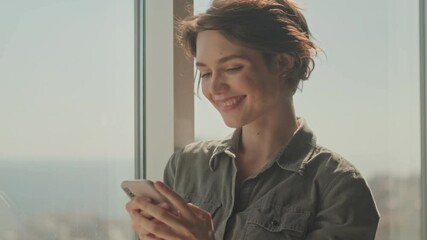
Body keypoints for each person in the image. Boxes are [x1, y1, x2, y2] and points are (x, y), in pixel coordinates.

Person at [126, 0, 380, 239]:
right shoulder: (185, 165)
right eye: (204, 73)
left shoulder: (338, 188)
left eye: (232, 68)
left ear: (282, 63)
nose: (214, 87)